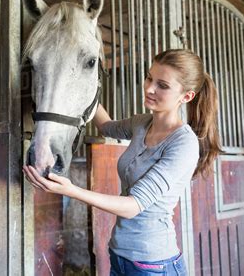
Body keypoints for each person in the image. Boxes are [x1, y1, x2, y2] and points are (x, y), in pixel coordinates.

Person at [23, 49, 222, 275]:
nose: (149, 88)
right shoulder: (142, 123)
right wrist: (81, 84)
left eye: (162, 85)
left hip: (153, 265)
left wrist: (71, 190)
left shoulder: (183, 144)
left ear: (186, 97)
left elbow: (132, 206)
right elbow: (106, 126)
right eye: (149, 77)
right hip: (119, 256)